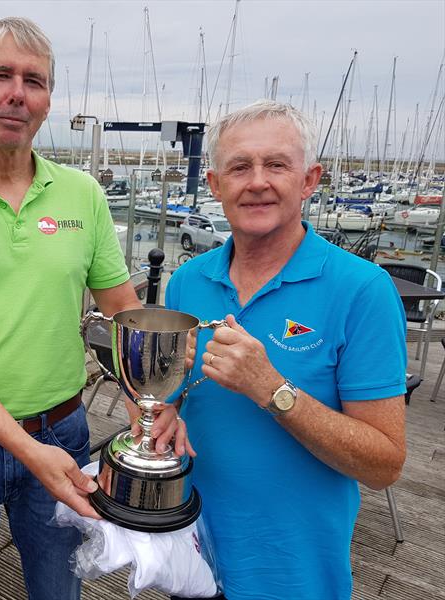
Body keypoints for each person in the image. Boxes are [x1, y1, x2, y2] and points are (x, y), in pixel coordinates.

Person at [0, 17, 167, 600]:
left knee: (59, 591)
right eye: (1, 75)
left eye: (34, 81)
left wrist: (159, 401)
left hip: (62, 431)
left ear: (47, 101)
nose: (17, 93)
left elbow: (124, 312)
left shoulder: (82, 194)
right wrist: (27, 451)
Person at [163, 100, 407, 600]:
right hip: (190, 560)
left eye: (276, 164)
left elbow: (384, 464)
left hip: (294, 576)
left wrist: (271, 389)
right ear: (213, 185)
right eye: (239, 166)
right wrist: (166, 406)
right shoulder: (187, 281)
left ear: (309, 180)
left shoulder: (362, 289)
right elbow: (180, 402)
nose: (257, 182)